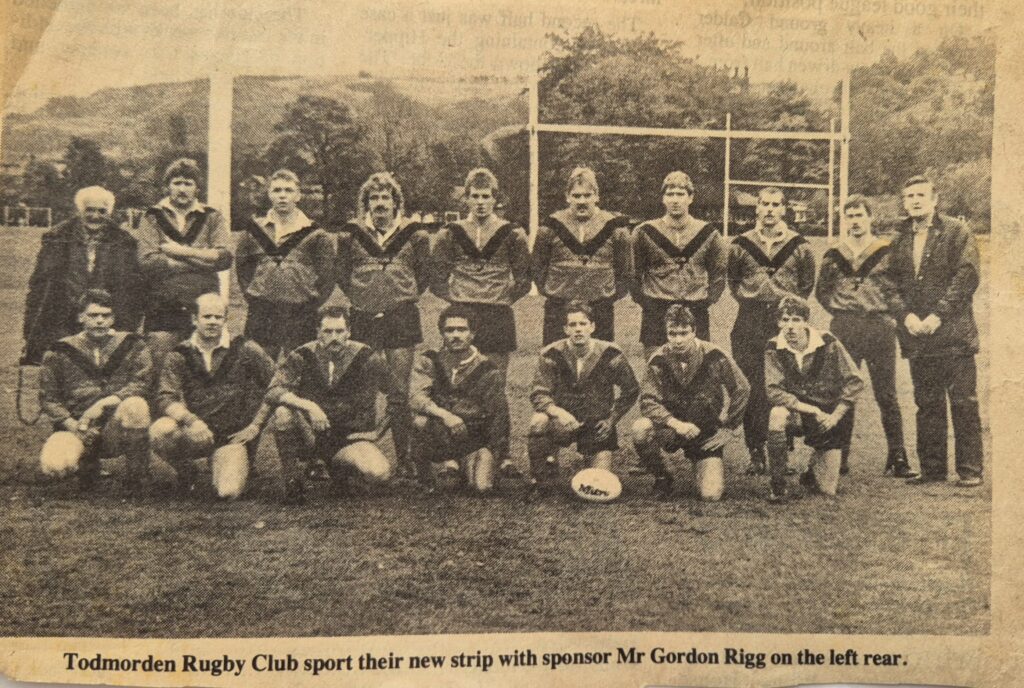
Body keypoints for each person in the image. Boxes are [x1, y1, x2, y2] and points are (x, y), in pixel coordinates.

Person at [430, 168, 531, 477]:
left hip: (497, 316)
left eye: (486, 196)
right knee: (456, 384)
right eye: (475, 196)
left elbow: (524, 279)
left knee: (496, 387)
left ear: (495, 199)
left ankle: (502, 455)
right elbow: (435, 277)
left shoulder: (513, 233)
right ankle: (455, 453)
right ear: (467, 199)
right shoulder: (450, 232)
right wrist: (458, 300)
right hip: (462, 315)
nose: (481, 202)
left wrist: (500, 299)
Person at [887, 175, 983, 487]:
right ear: (904, 202)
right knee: (927, 403)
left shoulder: (957, 231)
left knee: (963, 402)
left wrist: (938, 315)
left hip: (953, 335)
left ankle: (969, 471)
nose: (915, 200)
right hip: (918, 336)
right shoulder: (899, 237)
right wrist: (906, 316)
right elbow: (889, 283)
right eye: (909, 196)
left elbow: (966, 277)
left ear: (935, 199)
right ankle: (932, 469)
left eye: (920, 195)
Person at [336, 172, 430, 478]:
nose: (380, 204)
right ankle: (362, 453)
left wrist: (399, 295)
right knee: (362, 390)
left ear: (395, 203)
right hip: (363, 317)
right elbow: (341, 273)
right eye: (374, 198)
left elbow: (424, 274)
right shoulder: (350, 233)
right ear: (366, 203)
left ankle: (405, 458)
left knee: (399, 392)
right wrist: (364, 296)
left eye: (385, 198)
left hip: (400, 316)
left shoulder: (414, 233)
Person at [816, 195, 916, 478]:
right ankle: (840, 456)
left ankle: (898, 457)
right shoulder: (834, 253)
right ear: (844, 220)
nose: (855, 221)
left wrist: (880, 310)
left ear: (870, 217)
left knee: (886, 393)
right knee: (843, 392)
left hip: (879, 327)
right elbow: (822, 292)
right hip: (845, 327)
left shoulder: (887, 251)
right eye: (849, 216)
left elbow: (900, 288)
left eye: (860, 215)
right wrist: (844, 309)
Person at [149, 293, 275, 500]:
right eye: (207, 317)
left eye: (218, 317)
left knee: (228, 492)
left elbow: (277, 386)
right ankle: (187, 471)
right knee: (160, 431)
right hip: (199, 432)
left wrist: (255, 425)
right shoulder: (179, 354)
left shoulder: (246, 349)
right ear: (194, 319)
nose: (213, 322)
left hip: (231, 437)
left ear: (226, 320)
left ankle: (225, 462)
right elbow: (165, 398)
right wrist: (191, 421)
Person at [727, 186, 816, 476]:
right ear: (757, 208)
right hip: (750, 319)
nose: (768, 209)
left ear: (783, 209)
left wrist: (787, 309)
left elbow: (806, 284)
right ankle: (755, 452)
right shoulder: (741, 243)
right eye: (764, 204)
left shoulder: (799, 244)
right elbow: (733, 280)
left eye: (775, 204)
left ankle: (782, 452)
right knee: (752, 386)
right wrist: (753, 298)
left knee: (784, 385)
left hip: (784, 320)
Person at [267, 305, 394, 504]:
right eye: (327, 331)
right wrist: (310, 406)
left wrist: (378, 431)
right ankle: (293, 481)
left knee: (378, 473)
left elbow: (398, 396)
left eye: (339, 331)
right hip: (312, 434)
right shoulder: (302, 355)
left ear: (349, 332)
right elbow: (274, 391)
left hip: (349, 437)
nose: (334, 337)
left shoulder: (368, 358)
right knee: (283, 412)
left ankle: (340, 472)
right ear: (318, 332)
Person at [632, 305, 749, 501]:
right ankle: (663, 475)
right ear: (666, 333)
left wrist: (729, 427)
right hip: (671, 427)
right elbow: (648, 401)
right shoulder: (658, 359)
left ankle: (701, 464)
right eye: (672, 334)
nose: (678, 340)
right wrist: (676, 424)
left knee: (711, 495)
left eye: (683, 333)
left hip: (704, 431)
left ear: (694, 331)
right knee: (640, 428)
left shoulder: (715, 355)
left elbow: (742, 388)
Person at [38, 289, 152, 492]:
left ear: (113, 318)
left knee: (136, 405)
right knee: (55, 466)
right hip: (76, 426)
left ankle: (136, 477)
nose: (100, 320)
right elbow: (49, 399)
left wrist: (105, 402)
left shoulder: (132, 344)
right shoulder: (59, 350)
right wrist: (74, 426)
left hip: (114, 428)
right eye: (93, 315)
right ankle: (86, 466)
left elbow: (142, 382)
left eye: (105, 315)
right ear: (80, 317)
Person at [23, 186, 143, 365]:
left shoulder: (124, 241)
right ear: (80, 210)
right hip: (62, 318)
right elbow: (39, 286)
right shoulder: (57, 237)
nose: (95, 216)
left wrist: (126, 327)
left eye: (101, 211)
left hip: (107, 319)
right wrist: (30, 331)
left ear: (109, 213)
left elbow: (132, 289)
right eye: (89, 210)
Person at [528, 301, 639, 492]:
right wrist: (558, 412)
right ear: (565, 329)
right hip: (563, 423)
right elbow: (539, 393)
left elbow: (631, 390)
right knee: (539, 420)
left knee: (599, 485)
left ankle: (592, 460)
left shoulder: (611, 354)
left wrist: (612, 419)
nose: (578, 329)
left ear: (592, 326)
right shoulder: (551, 353)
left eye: (583, 324)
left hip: (596, 425)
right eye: (572, 325)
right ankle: (541, 477)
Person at [764, 296, 864, 502]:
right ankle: (778, 484)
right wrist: (809, 409)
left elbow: (855, 381)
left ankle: (812, 469)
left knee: (827, 490)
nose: (790, 327)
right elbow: (773, 390)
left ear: (806, 321)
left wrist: (835, 416)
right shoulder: (773, 347)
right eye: (784, 320)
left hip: (827, 415)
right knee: (776, 414)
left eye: (796, 320)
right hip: (797, 411)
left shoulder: (828, 342)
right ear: (778, 322)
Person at [136, 158, 232, 366]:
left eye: (188, 183)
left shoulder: (212, 217)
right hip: (163, 305)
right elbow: (149, 263)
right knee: (161, 364)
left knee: (203, 364)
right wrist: (203, 259)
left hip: (203, 303)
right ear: (167, 186)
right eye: (176, 183)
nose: (182, 189)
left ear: (197, 188)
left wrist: (178, 251)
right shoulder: (152, 217)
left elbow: (224, 258)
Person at [235, 169, 336, 361]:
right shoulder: (253, 230)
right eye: (277, 190)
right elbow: (243, 268)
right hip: (263, 311)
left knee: (300, 369)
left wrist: (311, 302)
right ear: (270, 194)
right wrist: (253, 295)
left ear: (298, 195)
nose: (282, 196)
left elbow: (328, 276)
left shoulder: (315, 233)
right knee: (258, 370)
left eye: (288, 191)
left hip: (300, 312)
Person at [410, 304, 509, 495]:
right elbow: (415, 397)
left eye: (462, 329)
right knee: (420, 421)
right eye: (449, 330)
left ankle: (468, 462)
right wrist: (445, 415)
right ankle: (426, 481)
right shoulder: (430, 360)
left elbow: (499, 416)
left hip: (474, 435)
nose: (455, 335)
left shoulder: (488, 369)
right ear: (442, 333)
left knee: (481, 488)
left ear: (472, 334)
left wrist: (494, 453)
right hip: (442, 430)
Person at [532, 166, 632, 345]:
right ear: (567, 196)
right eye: (576, 195)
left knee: (600, 363)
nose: (582, 201)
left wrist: (606, 295)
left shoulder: (616, 228)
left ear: (597, 196)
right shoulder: (550, 227)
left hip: (599, 307)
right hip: (559, 306)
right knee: (556, 362)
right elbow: (538, 268)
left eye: (587, 195)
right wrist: (555, 292)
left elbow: (625, 271)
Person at [631, 171, 728, 353]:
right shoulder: (644, 232)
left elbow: (719, 273)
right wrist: (646, 302)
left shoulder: (709, 233)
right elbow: (632, 273)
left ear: (690, 198)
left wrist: (705, 301)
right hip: (656, 308)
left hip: (695, 307)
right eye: (670, 194)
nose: (675, 200)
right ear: (663, 198)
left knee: (696, 370)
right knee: (656, 368)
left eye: (680, 194)